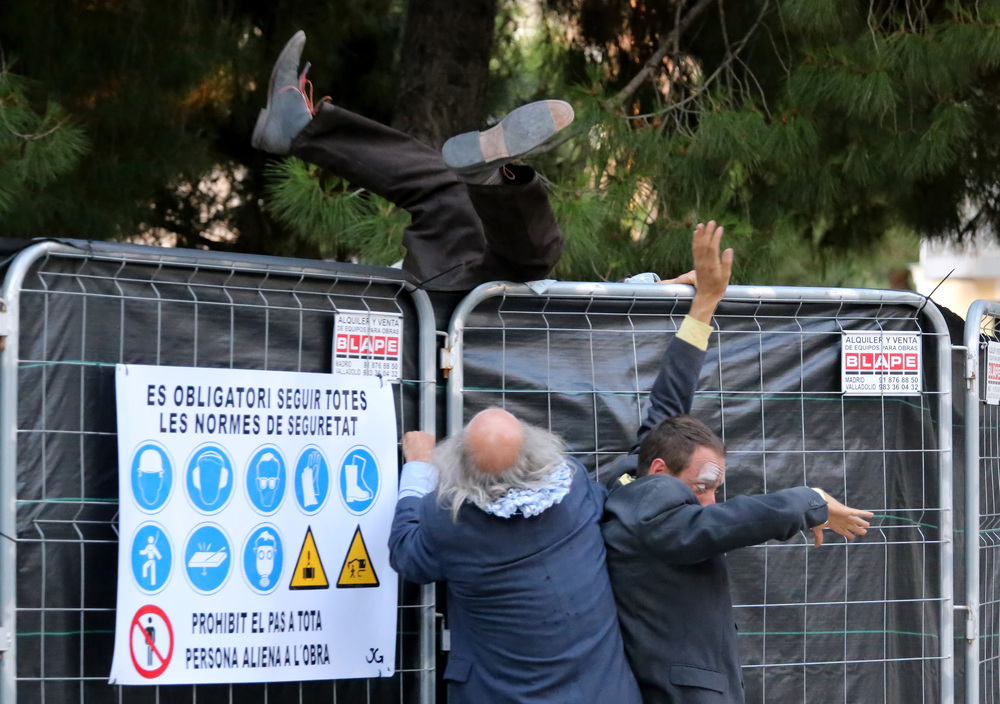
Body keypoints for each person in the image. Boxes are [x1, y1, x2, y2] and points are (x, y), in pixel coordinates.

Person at [599, 223, 874, 704]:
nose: (708, 499)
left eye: (713, 488)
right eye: (701, 487)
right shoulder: (653, 517)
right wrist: (810, 502)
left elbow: (668, 402)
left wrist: (704, 303)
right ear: (662, 474)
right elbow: (733, 522)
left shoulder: (638, 473)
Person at [251, 31, 572, 291]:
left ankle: (496, 179)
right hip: (460, 295)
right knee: (451, 189)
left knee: (528, 261)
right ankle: (298, 129)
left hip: (466, 321)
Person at [388, 409, 641, 703]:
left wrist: (419, 467)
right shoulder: (573, 484)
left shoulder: (448, 521)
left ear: (458, 464)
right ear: (535, 449)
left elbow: (405, 553)